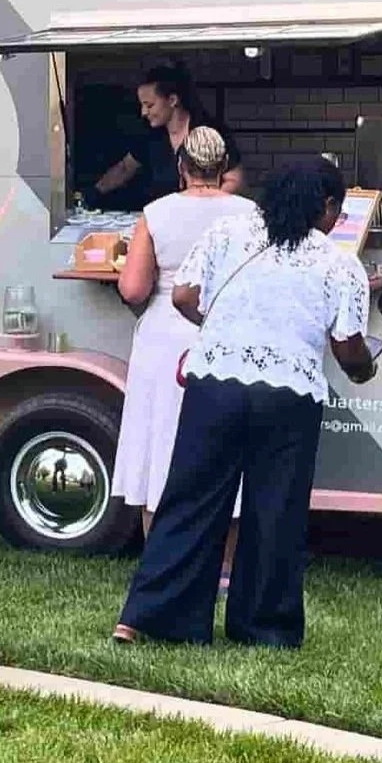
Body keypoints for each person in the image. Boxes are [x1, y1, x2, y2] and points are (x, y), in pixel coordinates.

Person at [114, 157, 378, 649]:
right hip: (288, 394)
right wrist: (366, 368)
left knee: (189, 499)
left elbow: (183, 296)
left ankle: (150, 617)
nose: (335, 223)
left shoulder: (228, 231)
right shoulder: (338, 262)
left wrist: (220, 328)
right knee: (274, 509)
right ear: (325, 206)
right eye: (336, 213)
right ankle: (264, 629)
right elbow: (348, 346)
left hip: (214, 382)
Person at [112, 125, 263, 532]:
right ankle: (227, 567)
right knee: (228, 441)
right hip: (228, 334)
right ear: (222, 167)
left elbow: (133, 287)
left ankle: (158, 558)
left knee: (159, 439)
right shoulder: (251, 215)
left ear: (182, 166)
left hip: (165, 336)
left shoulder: (156, 213)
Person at [91, 63, 200, 210]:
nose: (143, 112)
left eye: (149, 105)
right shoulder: (150, 135)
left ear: (172, 100)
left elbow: (234, 180)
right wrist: (94, 192)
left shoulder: (207, 130)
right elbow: (125, 168)